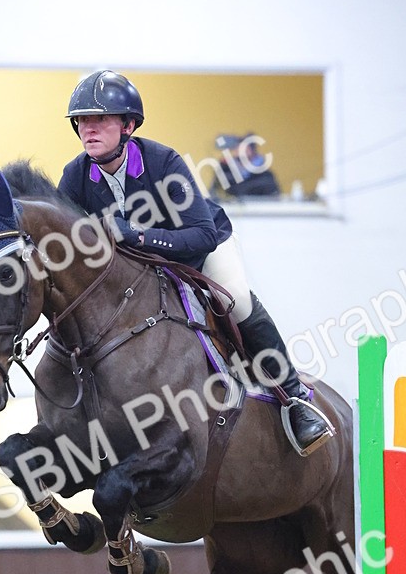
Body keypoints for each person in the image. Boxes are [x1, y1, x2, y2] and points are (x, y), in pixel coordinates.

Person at [58, 70, 332, 456]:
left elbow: (201, 235)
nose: (89, 128)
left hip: (201, 249)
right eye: (82, 120)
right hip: (139, 270)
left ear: (128, 125)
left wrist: (137, 236)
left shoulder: (163, 162)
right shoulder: (75, 177)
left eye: (100, 119)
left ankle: (295, 400)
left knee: (235, 299)